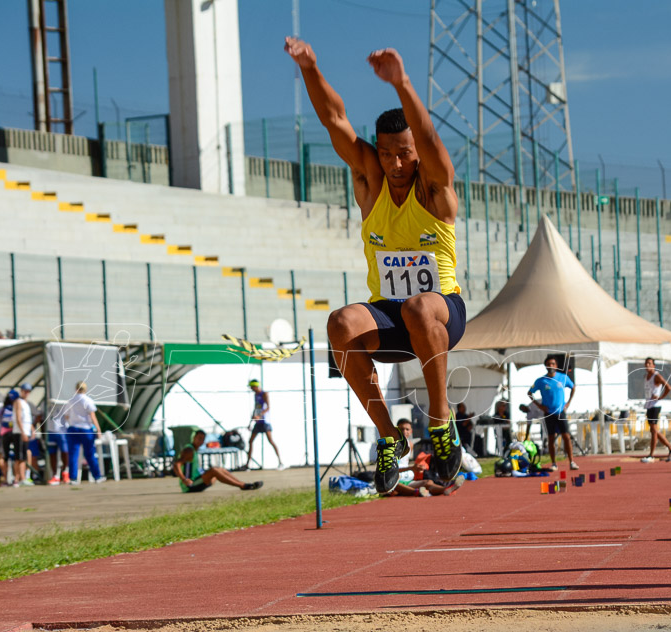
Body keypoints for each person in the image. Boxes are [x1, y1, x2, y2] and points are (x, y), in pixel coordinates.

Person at [286, 38, 465, 495]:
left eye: (404, 153)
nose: (396, 162)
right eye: (387, 154)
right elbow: (334, 119)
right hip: (390, 312)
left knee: (419, 308)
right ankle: (389, 437)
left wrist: (401, 82)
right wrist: (310, 65)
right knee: (340, 322)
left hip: (442, 312)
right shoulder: (371, 181)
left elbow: (430, 139)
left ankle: (441, 426)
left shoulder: (435, 189)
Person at [528, 356, 578, 471]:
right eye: (549, 364)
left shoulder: (563, 377)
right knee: (551, 438)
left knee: (566, 436)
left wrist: (568, 403)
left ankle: (571, 462)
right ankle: (554, 463)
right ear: (546, 366)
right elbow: (530, 393)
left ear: (556, 366)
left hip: (560, 412)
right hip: (549, 413)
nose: (551, 366)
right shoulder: (541, 381)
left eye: (553, 364)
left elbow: (573, 387)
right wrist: (539, 406)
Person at [174, 429, 263, 493]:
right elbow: (176, 464)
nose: (200, 441)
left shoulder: (195, 449)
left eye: (202, 439)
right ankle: (243, 486)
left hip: (197, 480)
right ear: (194, 438)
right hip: (190, 485)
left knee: (219, 469)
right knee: (214, 471)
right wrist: (184, 479)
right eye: (199, 438)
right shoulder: (189, 450)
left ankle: (242, 484)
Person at [63, 381, 106, 485]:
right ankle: (97, 476)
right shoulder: (88, 400)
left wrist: (72, 421)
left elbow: (66, 415)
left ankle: (73, 478)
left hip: (73, 429)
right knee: (90, 453)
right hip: (85, 429)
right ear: (85, 389)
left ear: (76, 389)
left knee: (73, 454)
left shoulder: (71, 401)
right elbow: (92, 416)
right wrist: (98, 430)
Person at [641, 358, 671, 462]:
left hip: (655, 405)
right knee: (654, 430)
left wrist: (660, 397)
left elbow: (668, 387)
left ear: (654, 365)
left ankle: (652, 455)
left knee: (654, 430)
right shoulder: (646, 377)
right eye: (646, 363)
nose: (647, 365)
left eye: (650, 363)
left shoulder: (656, 376)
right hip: (648, 405)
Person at [246, 379, 286, 470]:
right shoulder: (255, 395)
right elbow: (255, 408)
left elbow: (268, 407)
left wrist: (259, 416)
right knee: (250, 441)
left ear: (256, 386)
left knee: (271, 441)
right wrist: (251, 422)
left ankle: (281, 462)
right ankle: (247, 464)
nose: (251, 389)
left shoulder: (264, 394)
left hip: (265, 422)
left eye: (252, 387)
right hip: (258, 422)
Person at [11, 383, 35, 486]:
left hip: (25, 431)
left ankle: (20, 478)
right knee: (19, 457)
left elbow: (27, 419)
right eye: (25, 391)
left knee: (23, 456)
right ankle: (21, 478)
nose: (26, 393)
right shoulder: (18, 402)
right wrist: (23, 432)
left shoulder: (26, 403)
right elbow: (18, 418)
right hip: (19, 432)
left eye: (28, 391)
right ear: (21, 391)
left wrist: (32, 429)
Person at [44, 402, 70, 485]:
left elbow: (68, 416)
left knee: (65, 452)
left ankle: (65, 472)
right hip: (50, 431)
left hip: (62, 431)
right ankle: (55, 475)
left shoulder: (63, 402)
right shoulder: (45, 403)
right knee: (52, 454)